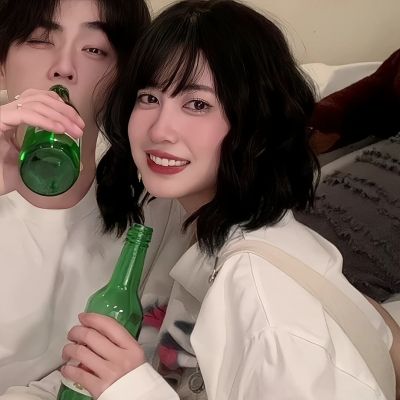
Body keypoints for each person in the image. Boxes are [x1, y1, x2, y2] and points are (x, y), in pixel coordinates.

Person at [4, 0, 399, 399]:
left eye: (197, 104)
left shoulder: (263, 300)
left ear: (255, 120)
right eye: (149, 98)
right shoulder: (197, 228)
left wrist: (132, 389)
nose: (161, 129)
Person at [0, 0, 191, 393]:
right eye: (40, 40)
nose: (63, 67)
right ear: (2, 61)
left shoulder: (156, 201)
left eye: (94, 49)